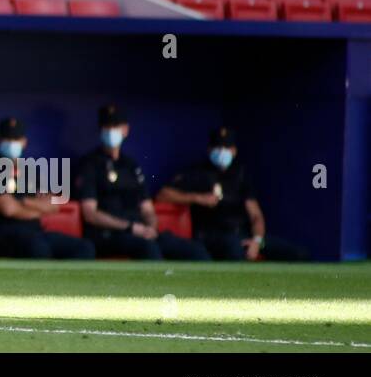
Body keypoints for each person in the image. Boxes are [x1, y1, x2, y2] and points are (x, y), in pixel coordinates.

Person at [75, 105, 210, 261]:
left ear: (125, 129)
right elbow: (90, 214)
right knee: (148, 248)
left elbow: (147, 209)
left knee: (195, 251)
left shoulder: (131, 166)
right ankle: (158, 286)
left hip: (140, 230)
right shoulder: (90, 164)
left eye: (115, 126)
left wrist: (150, 227)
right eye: (107, 127)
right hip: (109, 234)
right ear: (100, 130)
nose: (111, 131)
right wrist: (130, 227)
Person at [157, 127, 308, 262]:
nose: (222, 151)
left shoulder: (240, 174)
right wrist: (198, 198)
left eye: (226, 147)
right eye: (218, 147)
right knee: (234, 249)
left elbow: (256, 215)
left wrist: (257, 241)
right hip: (212, 236)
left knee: (298, 254)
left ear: (234, 150)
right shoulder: (198, 172)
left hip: (244, 235)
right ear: (209, 150)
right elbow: (163, 195)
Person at [0, 117, 95, 260]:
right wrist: (38, 208)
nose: (12, 143)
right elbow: (9, 209)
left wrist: (22, 200)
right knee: (38, 248)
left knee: (85, 248)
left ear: (24, 142)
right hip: (0, 235)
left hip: (36, 232)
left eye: (16, 139)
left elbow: (54, 205)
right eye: (8, 139)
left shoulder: (30, 171)